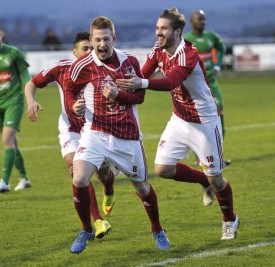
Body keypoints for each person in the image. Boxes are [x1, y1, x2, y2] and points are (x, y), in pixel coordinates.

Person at [116, 7, 239, 241]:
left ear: (178, 31)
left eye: (164, 29)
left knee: (218, 179)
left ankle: (230, 219)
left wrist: (140, 83)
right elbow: (143, 76)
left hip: (204, 121)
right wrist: (122, 89)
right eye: (157, 28)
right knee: (163, 169)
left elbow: (171, 81)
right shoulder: (157, 49)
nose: (158, 33)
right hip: (180, 119)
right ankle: (204, 182)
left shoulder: (188, 54)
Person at [65, 16, 170, 254]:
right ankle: (87, 229)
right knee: (79, 179)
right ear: (90, 40)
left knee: (142, 188)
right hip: (96, 132)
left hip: (127, 135)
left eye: (106, 39)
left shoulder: (129, 62)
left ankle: (157, 229)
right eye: (97, 39)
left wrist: (118, 96)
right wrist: (74, 106)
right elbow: (70, 90)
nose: (102, 44)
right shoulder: (82, 65)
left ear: (114, 39)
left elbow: (139, 97)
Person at [25, 31, 114, 239]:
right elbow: (32, 83)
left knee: (103, 174)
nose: (89, 52)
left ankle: (109, 189)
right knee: (77, 174)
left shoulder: (102, 68)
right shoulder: (62, 67)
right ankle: (98, 222)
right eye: (85, 49)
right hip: (70, 130)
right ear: (74, 51)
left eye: (91, 48)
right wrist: (31, 102)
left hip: (96, 129)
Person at [183, 10, 230, 166]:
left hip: (212, 84)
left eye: (204, 19)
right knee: (199, 121)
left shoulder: (212, 37)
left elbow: (221, 48)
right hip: (196, 87)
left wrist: (217, 65)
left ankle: (218, 155)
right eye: (199, 19)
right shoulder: (186, 40)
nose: (202, 22)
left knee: (219, 116)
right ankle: (200, 156)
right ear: (192, 21)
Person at [0, 32, 31, 193]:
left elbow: (25, 74)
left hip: (14, 101)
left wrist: (29, 96)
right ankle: (24, 178)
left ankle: (4, 182)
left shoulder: (13, 53)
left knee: (7, 139)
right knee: (11, 142)